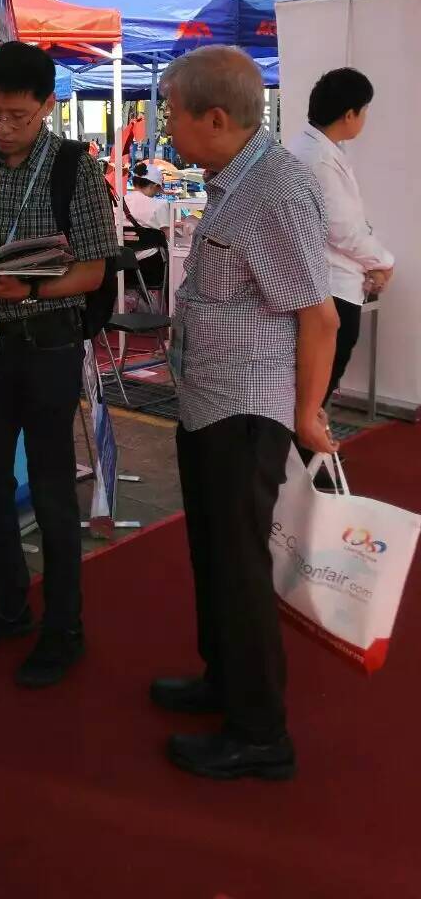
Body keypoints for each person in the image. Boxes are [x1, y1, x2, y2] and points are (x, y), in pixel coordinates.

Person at [152, 46, 338, 781]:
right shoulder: (235, 179)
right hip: (209, 400)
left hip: (247, 408)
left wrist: (308, 413)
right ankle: (223, 680)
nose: (166, 128)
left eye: (171, 114)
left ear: (215, 119)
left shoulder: (275, 190)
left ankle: (260, 732)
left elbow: (319, 316)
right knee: (213, 553)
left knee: (239, 568)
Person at [0, 41, 118, 688]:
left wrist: (32, 290)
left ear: (46, 106)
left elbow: (93, 270)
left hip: (48, 346)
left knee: (50, 490)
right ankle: (8, 606)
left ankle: (63, 628)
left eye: (17, 115)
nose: (4, 127)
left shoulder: (75, 168)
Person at [287, 68, 394, 405]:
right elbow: (343, 230)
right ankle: (307, 438)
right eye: (365, 110)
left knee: (312, 386)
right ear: (349, 114)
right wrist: (383, 262)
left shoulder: (311, 149)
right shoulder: (319, 159)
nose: (365, 119)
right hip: (330, 287)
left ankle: (308, 435)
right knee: (317, 387)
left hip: (326, 282)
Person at [125, 162, 172, 293]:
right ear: (152, 186)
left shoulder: (118, 203)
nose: (157, 192)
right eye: (157, 189)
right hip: (151, 269)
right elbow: (169, 237)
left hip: (122, 267)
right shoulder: (160, 204)